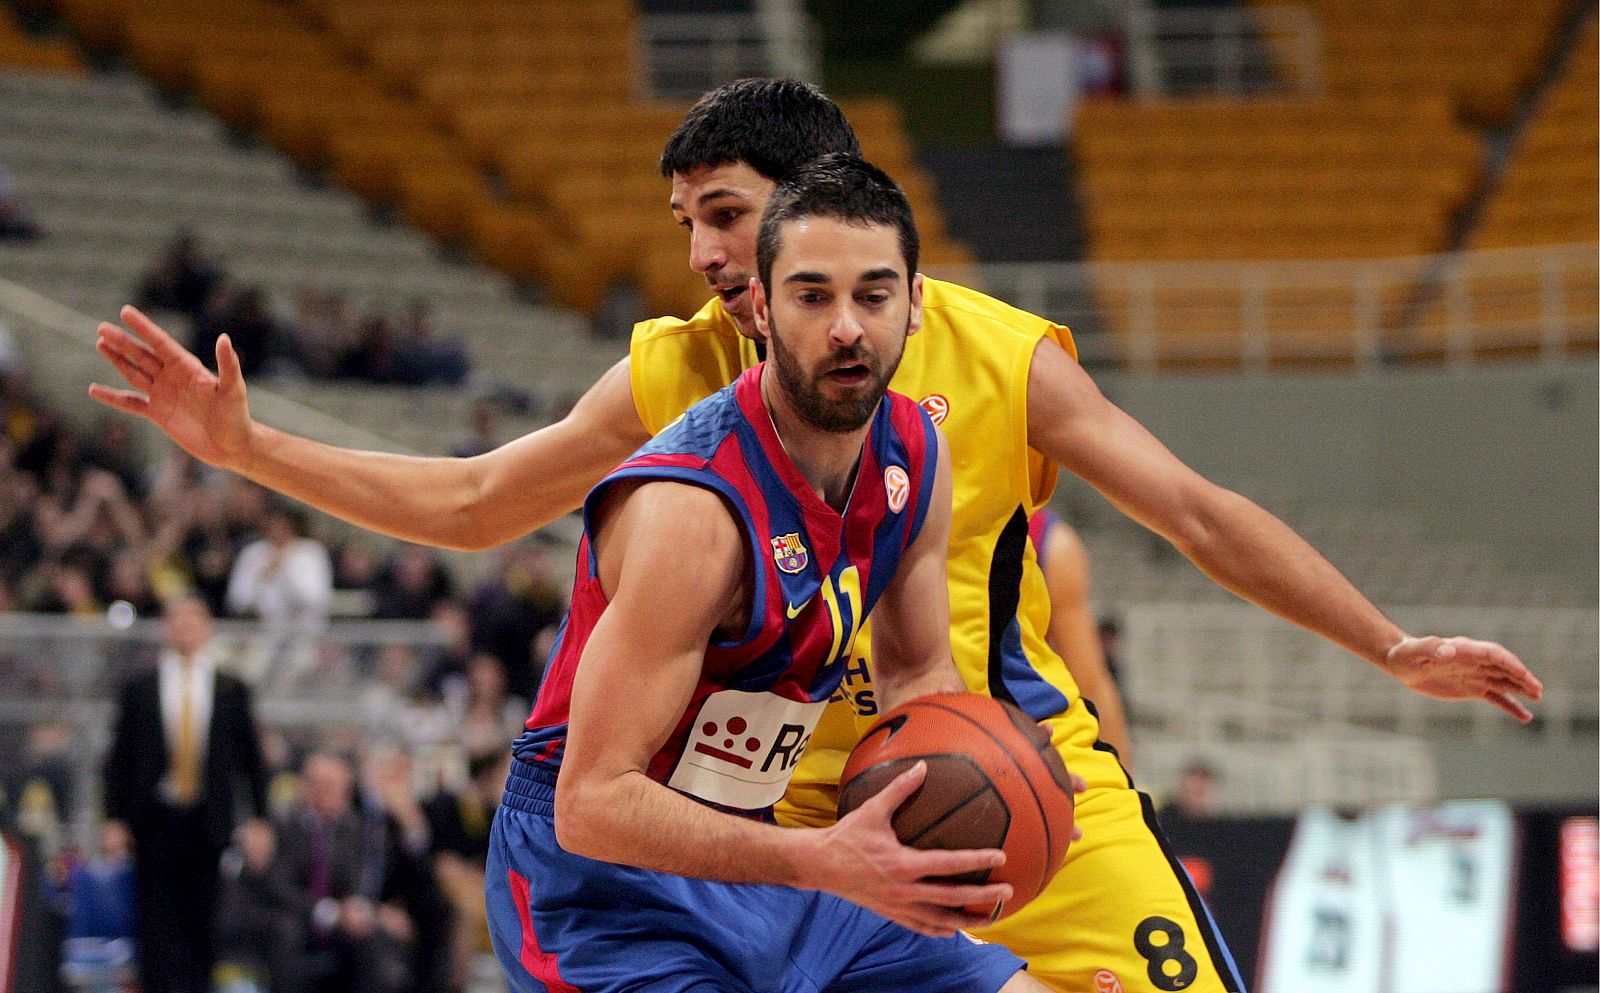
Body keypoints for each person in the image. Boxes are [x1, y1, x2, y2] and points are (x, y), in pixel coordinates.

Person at [89, 81, 1543, 992]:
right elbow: (476, 503)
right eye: (692, 229)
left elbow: (1199, 510)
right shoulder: (675, 375)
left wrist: (1385, 641)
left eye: (726, 218)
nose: (708, 258)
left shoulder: (987, 365)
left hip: (986, 745)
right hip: (762, 802)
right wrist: (253, 446)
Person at [484, 157, 1044, 992]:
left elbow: (918, 674)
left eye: (874, 295)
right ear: (764, 310)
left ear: (916, 305)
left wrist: (995, 768)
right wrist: (820, 857)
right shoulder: (696, 512)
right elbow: (592, 800)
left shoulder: (915, 455)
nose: (847, 327)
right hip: (596, 882)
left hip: (759, 847)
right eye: (814, 297)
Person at [103, 596, 269, 993]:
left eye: (194, 620)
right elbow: (119, 758)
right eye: (177, 620)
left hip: (208, 817)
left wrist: (260, 818)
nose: (185, 629)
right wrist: (114, 818)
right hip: (155, 817)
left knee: (205, 914)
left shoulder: (231, 687)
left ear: (208, 627)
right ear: (165, 628)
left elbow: (251, 759)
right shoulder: (140, 686)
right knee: (156, 917)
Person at [1027, 506, 1132, 759]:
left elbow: (1091, 686)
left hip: (1019, 734)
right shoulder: (918, 502)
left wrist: (1125, 785)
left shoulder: (1050, 544)